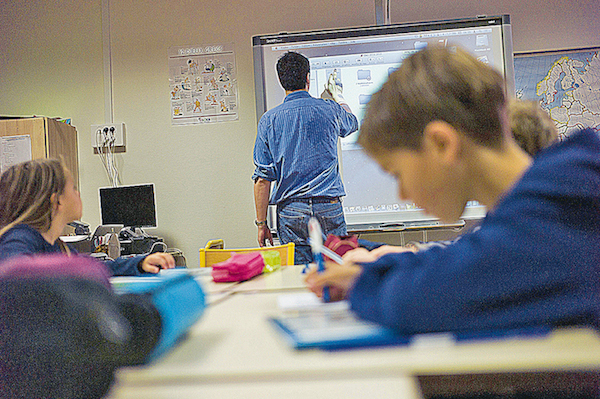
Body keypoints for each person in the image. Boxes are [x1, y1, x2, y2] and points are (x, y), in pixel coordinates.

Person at [305, 46, 600, 335]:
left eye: (398, 174)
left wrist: (362, 285)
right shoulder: (549, 200)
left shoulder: (560, 212)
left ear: (442, 144)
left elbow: (419, 300)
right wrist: (366, 273)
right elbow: (465, 256)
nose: (403, 195)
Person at [344, 98, 562, 264]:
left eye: (399, 173)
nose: (404, 194)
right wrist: (413, 252)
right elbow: (471, 249)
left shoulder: (546, 228)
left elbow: (475, 267)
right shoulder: (526, 213)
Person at [252, 51, 359, 264]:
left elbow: (263, 179)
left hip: (292, 212)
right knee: (337, 274)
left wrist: (261, 224)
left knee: (300, 278)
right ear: (308, 78)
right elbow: (352, 122)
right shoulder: (330, 110)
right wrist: (338, 96)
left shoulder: (269, 120)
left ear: (282, 81)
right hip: (328, 206)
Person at [0, 158, 175, 275]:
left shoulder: (56, 245)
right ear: (57, 202)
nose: (78, 193)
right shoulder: (21, 236)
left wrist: (139, 263)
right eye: (74, 188)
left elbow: (92, 266)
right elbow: (12, 272)